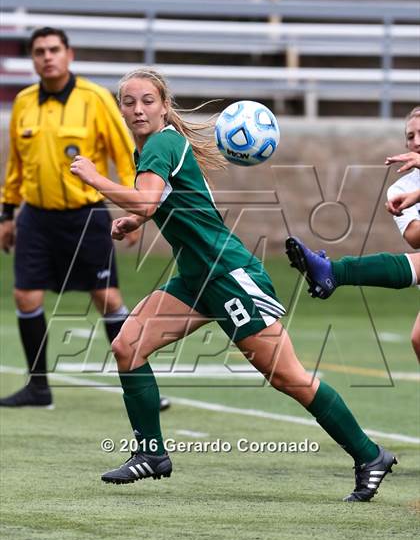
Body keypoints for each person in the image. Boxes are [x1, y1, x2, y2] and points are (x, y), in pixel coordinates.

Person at [69, 67, 396, 502]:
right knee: (127, 345)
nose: (138, 108)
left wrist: (96, 179)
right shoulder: (154, 147)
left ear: (164, 105)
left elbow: (149, 197)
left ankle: (368, 454)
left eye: (147, 100)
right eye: (129, 101)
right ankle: (152, 453)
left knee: (289, 378)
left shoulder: (163, 142)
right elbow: (163, 201)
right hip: (195, 275)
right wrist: (136, 217)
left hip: (228, 276)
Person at [0, 27, 170, 411]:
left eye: (54, 49)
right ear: (32, 58)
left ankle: (143, 389)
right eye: (39, 51)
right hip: (35, 218)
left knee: (107, 298)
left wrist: (136, 206)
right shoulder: (25, 102)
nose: (47, 56)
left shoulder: (94, 99)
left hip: (85, 216)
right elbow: (16, 165)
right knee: (24, 295)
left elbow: (129, 152)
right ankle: (38, 388)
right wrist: (6, 213)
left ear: (69, 54)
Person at [285, 110, 420, 361]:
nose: (417, 141)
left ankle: (335, 273)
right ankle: (333, 273)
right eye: (411, 136)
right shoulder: (402, 189)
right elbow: (414, 237)